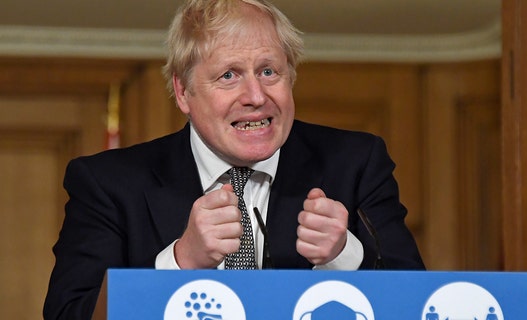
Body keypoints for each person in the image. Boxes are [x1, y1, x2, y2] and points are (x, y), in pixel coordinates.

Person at [43, 0, 425, 318]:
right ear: (183, 92)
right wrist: (180, 263)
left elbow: (422, 306)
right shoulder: (107, 182)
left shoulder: (355, 162)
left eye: (269, 71)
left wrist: (345, 255)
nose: (256, 96)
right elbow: (69, 313)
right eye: (229, 75)